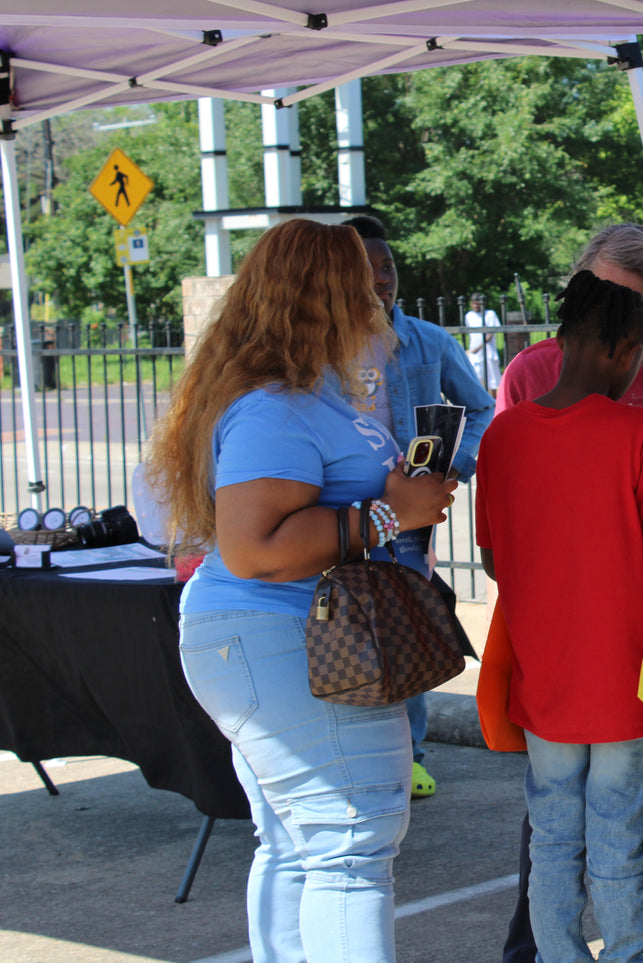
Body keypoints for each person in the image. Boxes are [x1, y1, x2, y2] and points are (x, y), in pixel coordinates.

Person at [145, 218, 457, 962]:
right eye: (362, 280)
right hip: (284, 637)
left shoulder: (299, 395)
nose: (379, 294)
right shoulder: (275, 408)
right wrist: (389, 513)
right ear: (325, 297)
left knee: (300, 842)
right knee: (353, 839)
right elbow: (252, 549)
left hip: (285, 637)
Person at [497, 223, 643, 963]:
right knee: (620, 847)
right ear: (628, 351)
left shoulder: (503, 438)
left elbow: (497, 559)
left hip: (545, 682)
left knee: (554, 843)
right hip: (629, 681)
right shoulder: (636, 435)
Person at [340, 214, 496, 800]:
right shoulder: (325, 352)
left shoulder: (431, 341)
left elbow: (480, 409)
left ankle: (410, 756)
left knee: (406, 626)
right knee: (350, 628)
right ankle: (355, 749)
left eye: (389, 267)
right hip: (347, 512)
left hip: (408, 524)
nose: (382, 279)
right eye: (366, 268)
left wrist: (456, 465)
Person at [497, 223, 643, 477]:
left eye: (629, 307)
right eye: (599, 299)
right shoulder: (527, 371)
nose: (610, 319)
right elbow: (502, 483)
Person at [465, 293, 503, 390]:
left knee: (492, 380)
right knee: (476, 377)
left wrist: (478, 348)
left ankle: (494, 402)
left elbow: (490, 334)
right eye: (473, 303)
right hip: (475, 353)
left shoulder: (490, 314)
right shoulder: (469, 316)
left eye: (477, 303)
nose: (475, 306)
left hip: (488, 351)